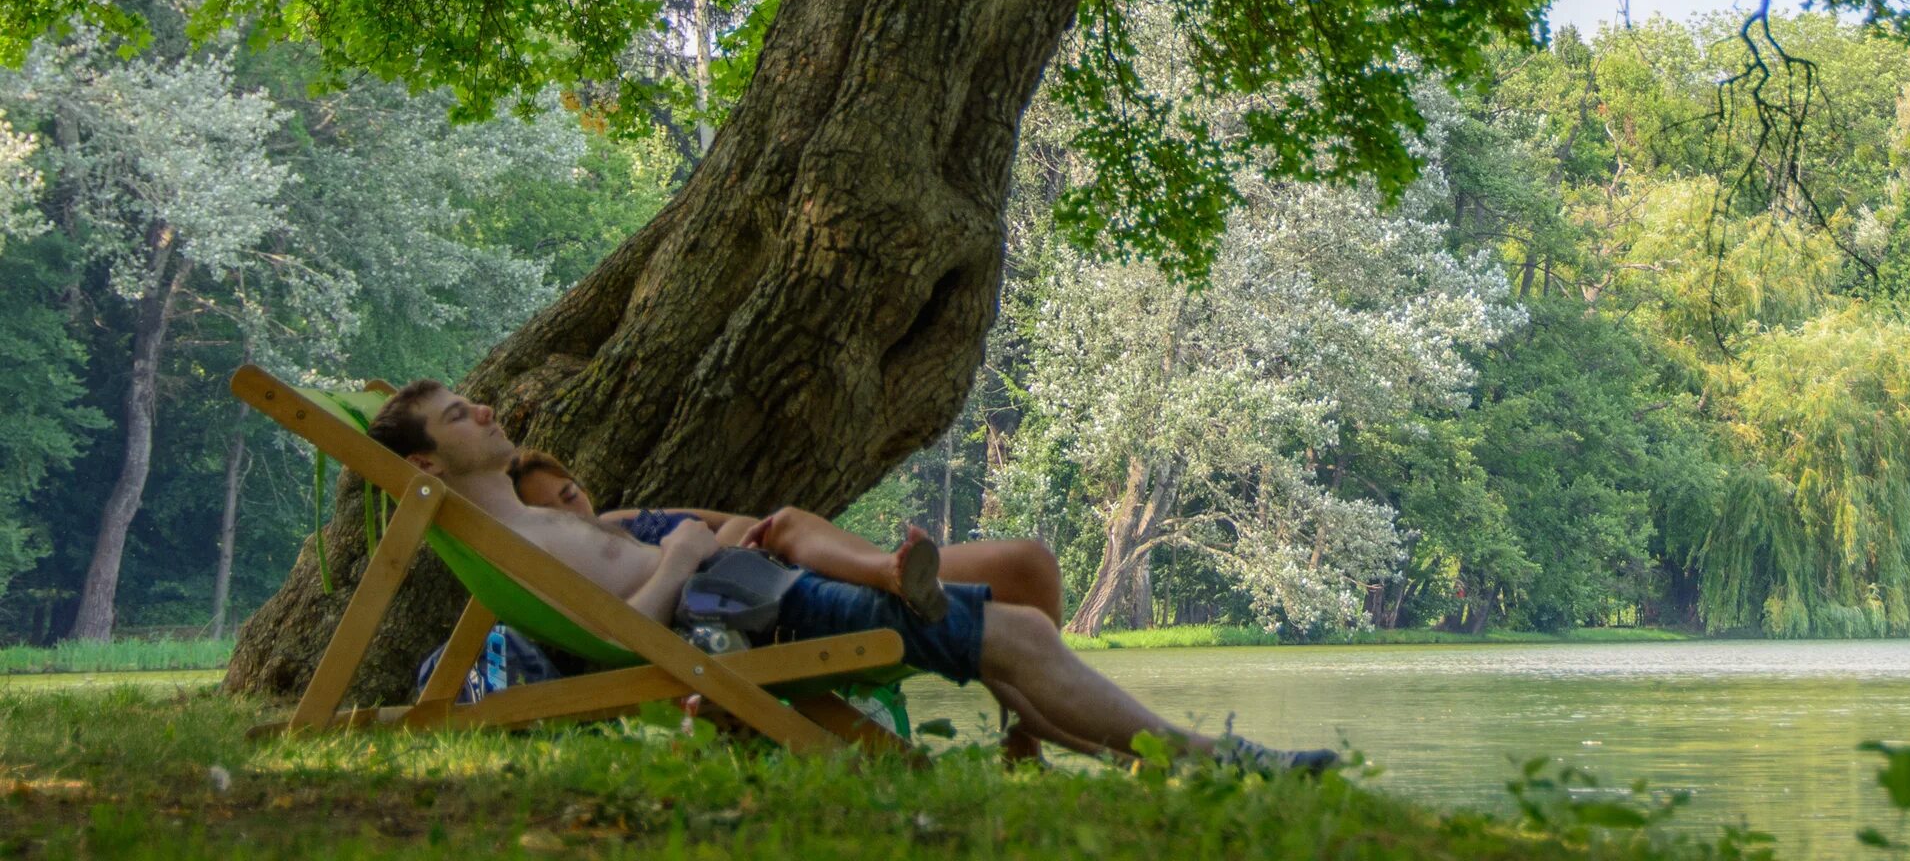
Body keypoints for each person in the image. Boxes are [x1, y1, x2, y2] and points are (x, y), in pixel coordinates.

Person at [367, 379, 1330, 771]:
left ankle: (1184, 759)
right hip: (745, 618)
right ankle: (1218, 763)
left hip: (745, 594)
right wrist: (681, 557)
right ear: (425, 468)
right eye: (460, 417)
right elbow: (629, 638)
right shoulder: (514, 549)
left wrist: (691, 550)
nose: (487, 411)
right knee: (1021, 632)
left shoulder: (533, 524)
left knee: (1014, 637)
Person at [508, 449, 1062, 760]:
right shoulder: (563, 574)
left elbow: (740, 525)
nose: (575, 512)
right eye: (553, 512)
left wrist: (727, 541)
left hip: (793, 569)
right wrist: (698, 555)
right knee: (789, 522)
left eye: (570, 492)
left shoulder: (624, 522)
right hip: (768, 606)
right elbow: (643, 620)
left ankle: (1023, 750)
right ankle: (890, 573)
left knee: (1031, 564)